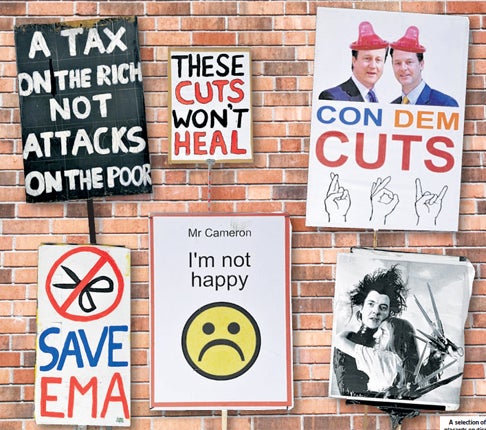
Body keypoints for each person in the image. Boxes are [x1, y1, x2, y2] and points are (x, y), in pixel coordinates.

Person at [333, 265, 408, 396]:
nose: (376, 311)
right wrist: (384, 397)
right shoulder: (347, 341)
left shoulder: (390, 347)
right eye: (371, 304)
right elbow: (349, 392)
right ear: (362, 307)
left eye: (383, 307)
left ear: (389, 314)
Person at [336, 317, 419, 394]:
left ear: (398, 339)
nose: (375, 335)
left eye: (383, 332)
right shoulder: (405, 366)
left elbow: (338, 340)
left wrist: (352, 333)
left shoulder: (382, 358)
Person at [319, 21, 388, 103]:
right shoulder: (333, 98)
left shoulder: (388, 100)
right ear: (354, 60)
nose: (373, 66)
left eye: (378, 60)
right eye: (367, 58)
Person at [390, 26, 458, 107]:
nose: (403, 68)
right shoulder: (391, 107)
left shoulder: (445, 104)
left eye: (409, 62)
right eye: (398, 63)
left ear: (421, 64)